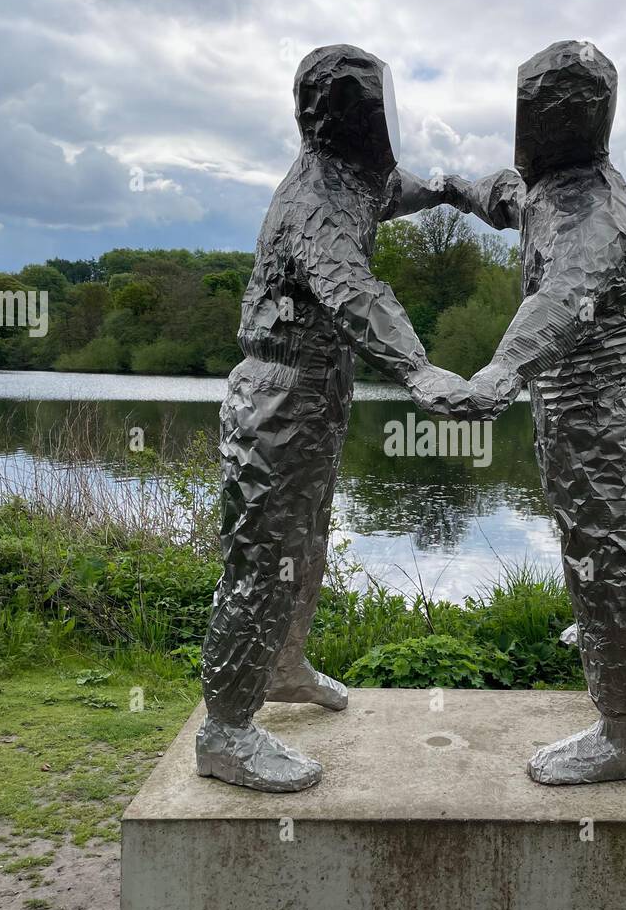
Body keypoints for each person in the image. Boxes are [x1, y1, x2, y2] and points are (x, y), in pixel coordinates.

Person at [198, 44, 466, 792]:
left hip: (317, 394)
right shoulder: (317, 196)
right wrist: (417, 367)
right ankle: (225, 730)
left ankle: (283, 669)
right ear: (358, 116)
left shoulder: (346, 178)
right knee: (261, 560)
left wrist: (448, 189)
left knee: (306, 543)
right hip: (282, 395)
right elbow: (354, 290)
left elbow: (390, 193)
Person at [418, 40, 626, 785]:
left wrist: (495, 375)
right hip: (567, 413)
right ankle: (601, 634)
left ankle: (625, 731)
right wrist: (449, 187)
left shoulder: (598, 213)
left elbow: (558, 302)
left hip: (603, 414)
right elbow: (504, 195)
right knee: (592, 552)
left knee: (611, 565)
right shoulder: (551, 190)